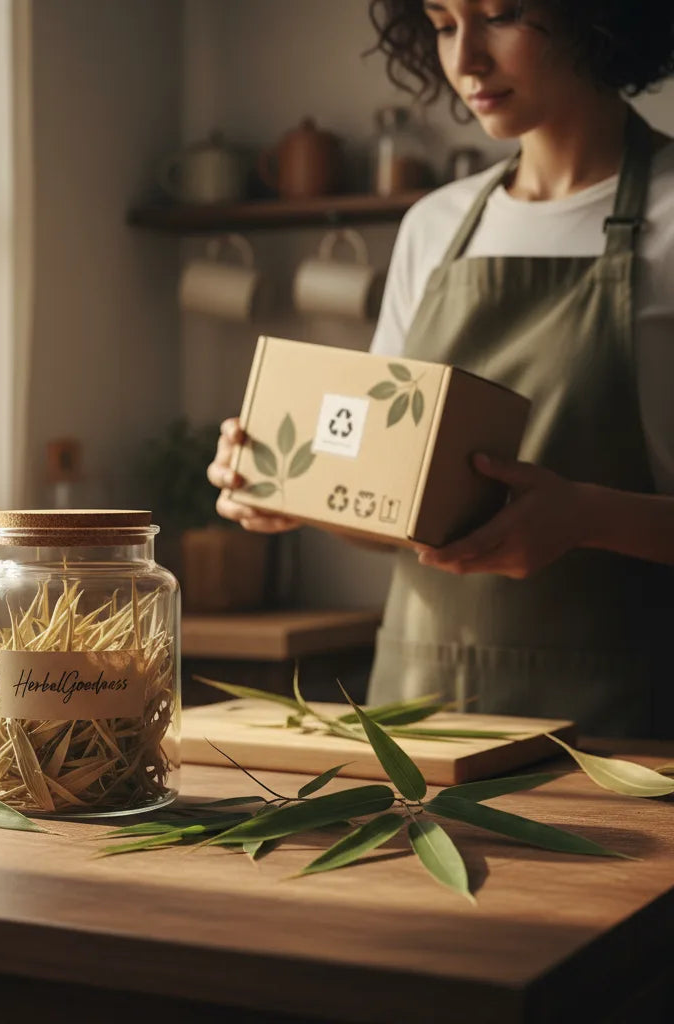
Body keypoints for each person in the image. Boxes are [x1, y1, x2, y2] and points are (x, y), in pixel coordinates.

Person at [207, 0, 674, 738]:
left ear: (597, 15)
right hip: (424, 713)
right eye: (445, 23)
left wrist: (587, 516)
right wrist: (296, 488)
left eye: (501, 14)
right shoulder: (435, 225)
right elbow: (395, 505)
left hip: (626, 730)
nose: (464, 61)